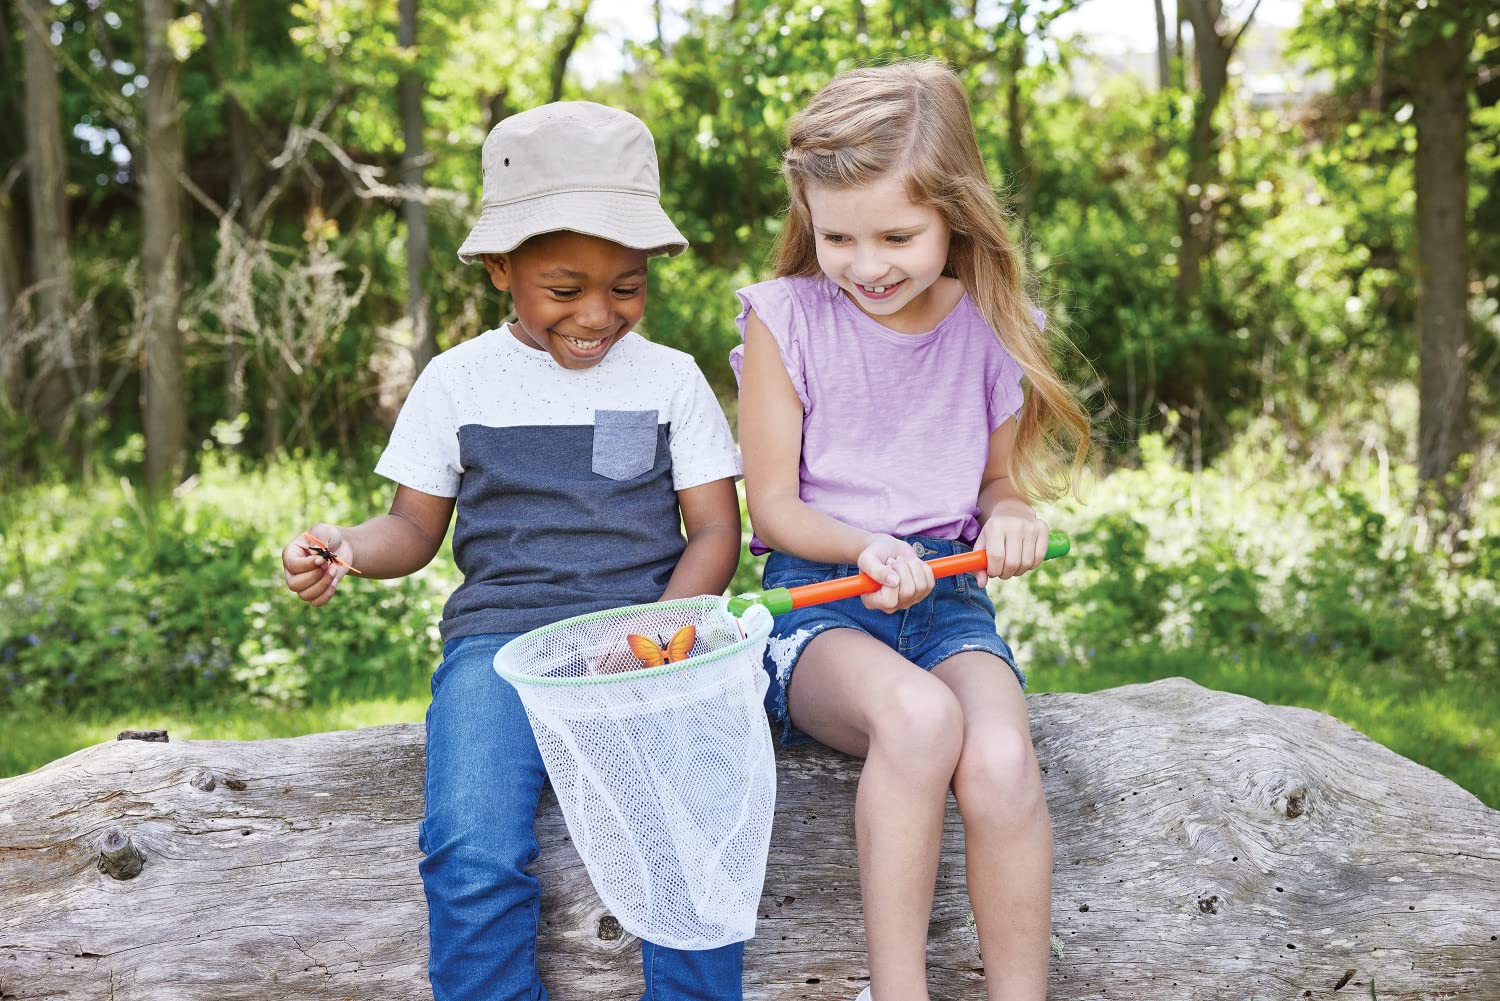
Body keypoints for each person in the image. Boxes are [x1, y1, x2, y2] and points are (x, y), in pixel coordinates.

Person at [282, 102, 746, 1001]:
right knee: (470, 845)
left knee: (690, 827)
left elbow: (715, 531)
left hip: (644, 648)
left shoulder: (671, 378)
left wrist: (656, 637)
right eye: (566, 289)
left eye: (627, 286)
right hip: (500, 648)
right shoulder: (458, 380)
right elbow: (413, 529)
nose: (599, 314)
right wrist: (345, 545)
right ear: (501, 268)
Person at [732, 61, 1090, 1001]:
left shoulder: (992, 327)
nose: (867, 263)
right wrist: (863, 547)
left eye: (897, 234)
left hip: (948, 604)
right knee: (922, 718)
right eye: (837, 234)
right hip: (820, 606)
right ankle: (898, 992)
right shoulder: (787, 319)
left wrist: (1013, 517)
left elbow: (999, 482)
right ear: (805, 216)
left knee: (1004, 758)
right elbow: (770, 508)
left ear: (956, 216)